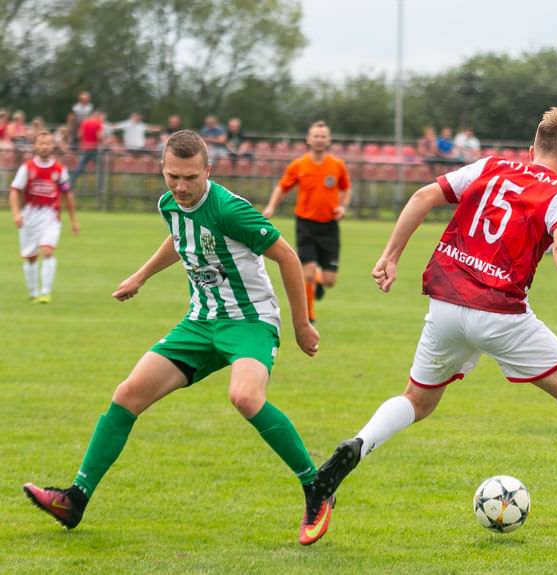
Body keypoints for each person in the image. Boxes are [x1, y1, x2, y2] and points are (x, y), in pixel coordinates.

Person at [310, 107, 557, 539]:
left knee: (418, 399)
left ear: (531, 150)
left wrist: (390, 255)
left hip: (446, 305)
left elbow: (421, 197)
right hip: (499, 312)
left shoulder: (491, 166)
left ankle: (358, 444)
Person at [22, 130, 335, 546]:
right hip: (200, 321)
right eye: (173, 177)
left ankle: (317, 487)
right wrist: (141, 275)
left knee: (244, 397)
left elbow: (287, 256)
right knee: (127, 394)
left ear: (208, 169)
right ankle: (74, 499)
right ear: (162, 170)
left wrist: (301, 324)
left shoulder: (229, 209)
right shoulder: (169, 204)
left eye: (190, 178)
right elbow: (180, 238)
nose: (182, 187)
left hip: (249, 320)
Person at [262, 121, 351, 323]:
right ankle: (309, 316)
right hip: (306, 225)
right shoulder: (298, 165)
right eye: (316, 136)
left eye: (323, 136)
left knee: (329, 280)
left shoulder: (337, 165)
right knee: (307, 274)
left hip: (329, 226)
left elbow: (346, 188)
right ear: (308, 139)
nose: (319, 140)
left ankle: (319, 282)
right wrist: (271, 207)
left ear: (328, 140)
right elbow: (282, 187)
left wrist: (343, 207)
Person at [8, 130, 80, 302]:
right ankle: (33, 293)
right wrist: (16, 214)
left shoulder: (59, 169)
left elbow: (67, 194)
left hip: (50, 215)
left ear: (52, 146)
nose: (44, 147)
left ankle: (46, 292)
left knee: (47, 251)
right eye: (41, 143)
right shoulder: (27, 168)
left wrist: (73, 220)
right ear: (35, 146)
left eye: (47, 143)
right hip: (30, 215)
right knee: (30, 257)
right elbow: (14, 191)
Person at [69, 110, 105, 187]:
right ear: (97, 116)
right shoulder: (98, 124)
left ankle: (71, 183)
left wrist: (84, 140)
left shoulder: (84, 122)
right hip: (94, 149)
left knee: (79, 167)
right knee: (100, 168)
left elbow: (79, 135)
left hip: (85, 148)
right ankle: (101, 187)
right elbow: (99, 136)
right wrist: (101, 141)